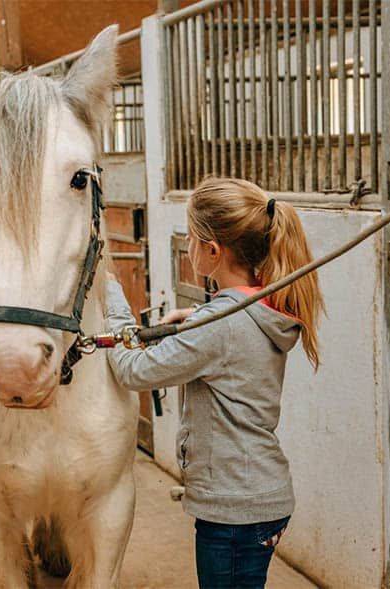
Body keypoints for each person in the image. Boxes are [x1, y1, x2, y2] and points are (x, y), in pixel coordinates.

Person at [106, 177, 324, 589]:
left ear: (211, 250)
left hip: (234, 511)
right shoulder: (262, 304)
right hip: (260, 496)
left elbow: (134, 371)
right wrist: (194, 322)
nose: (187, 247)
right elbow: (232, 334)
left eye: (189, 238)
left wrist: (114, 308)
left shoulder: (218, 324)